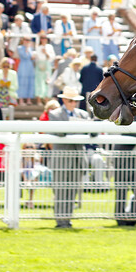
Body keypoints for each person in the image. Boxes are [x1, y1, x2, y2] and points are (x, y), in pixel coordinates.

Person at [47, 87, 90, 228]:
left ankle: (68, 219)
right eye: (71, 101)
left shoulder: (83, 115)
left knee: (72, 191)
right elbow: (60, 133)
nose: (73, 103)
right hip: (62, 158)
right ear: (64, 100)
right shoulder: (54, 114)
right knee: (60, 191)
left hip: (78, 158)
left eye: (75, 101)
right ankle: (60, 220)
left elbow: (90, 132)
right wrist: (77, 128)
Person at [34, 33, 54, 102]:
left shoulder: (49, 47)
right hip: (40, 65)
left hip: (47, 64)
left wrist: (46, 53)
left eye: (45, 38)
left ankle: (46, 99)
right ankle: (39, 99)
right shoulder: (38, 47)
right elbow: (38, 57)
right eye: (42, 38)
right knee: (39, 82)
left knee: (47, 81)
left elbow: (52, 57)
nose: (44, 40)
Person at [17, 36, 36, 104]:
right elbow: (24, 56)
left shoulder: (31, 48)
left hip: (30, 66)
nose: (27, 42)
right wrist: (27, 48)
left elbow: (32, 57)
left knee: (30, 82)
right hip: (23, 66)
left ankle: (29, 99)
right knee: (22, 82)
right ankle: (21, 99)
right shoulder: (20, 48)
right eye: (26, 40)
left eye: (28, 40)